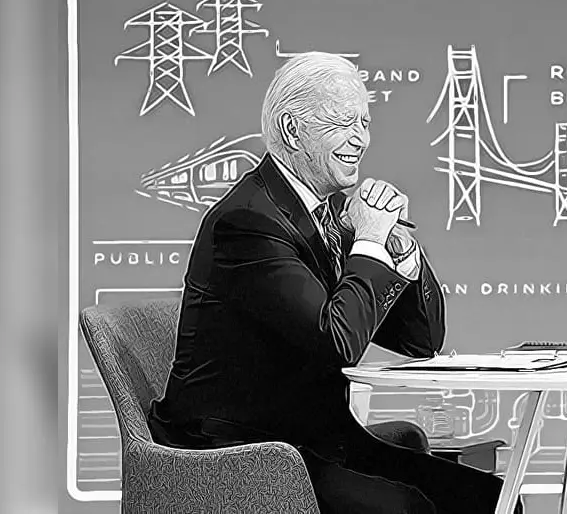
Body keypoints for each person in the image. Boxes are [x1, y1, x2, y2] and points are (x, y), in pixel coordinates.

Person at [148, 52, 522, 514]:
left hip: (320, 440)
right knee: (406, 509)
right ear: (292, 129)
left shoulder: (328, 214)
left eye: (365, 123)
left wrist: (400, 250)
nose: (361, 140)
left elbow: (420, 340)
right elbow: (336, 340)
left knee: (493, 500)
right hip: (246, 455)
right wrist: (368, 240)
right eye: (344, 123)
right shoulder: (248, 222)